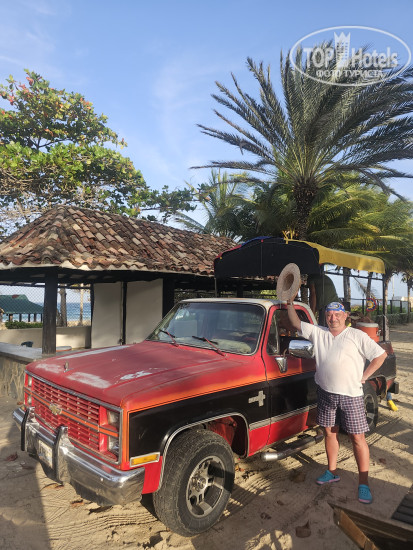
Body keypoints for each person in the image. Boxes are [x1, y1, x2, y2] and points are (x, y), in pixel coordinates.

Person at [286, 299, 387, 504]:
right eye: (330, 315)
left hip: (351, 396)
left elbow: (380, 355)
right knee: (330, 433)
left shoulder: (356, 335)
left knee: (357, 438)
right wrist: (289, 302)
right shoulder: (319, 332)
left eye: (337, 314)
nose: (333, 318)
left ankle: (363, 483)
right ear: (326, 317)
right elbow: (295, 323)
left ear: (345, 316)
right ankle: (332, 471)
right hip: (326, 393)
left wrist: (365, 376)